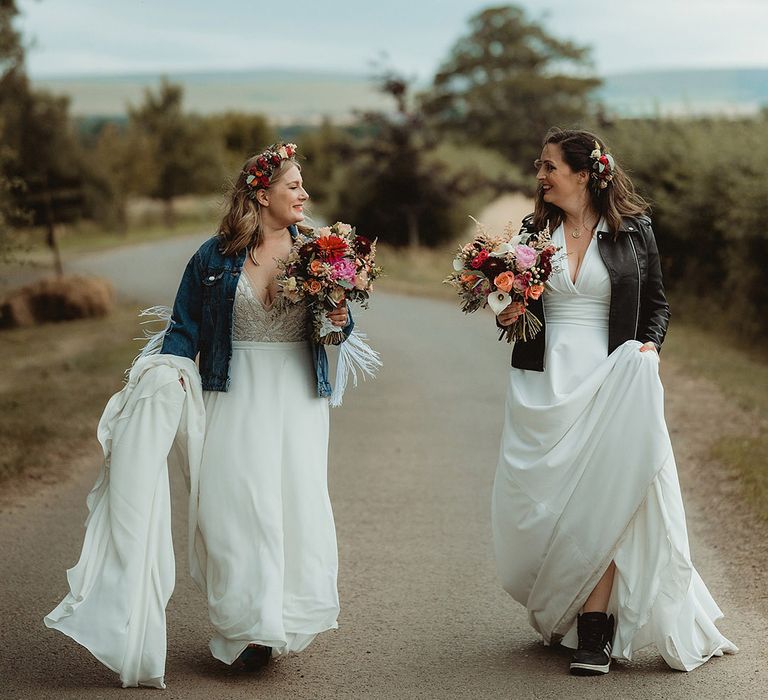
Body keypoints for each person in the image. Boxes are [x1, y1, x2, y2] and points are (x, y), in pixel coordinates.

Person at [491, 128, 737, 676]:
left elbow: (657, 305)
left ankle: (596, 630)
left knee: (604, 497)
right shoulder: (534, 231)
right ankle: (566, 601)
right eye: (540, 165)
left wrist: (650, 345)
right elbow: (517, 301)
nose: (541, 175)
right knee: (549, 501)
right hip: (543, 377)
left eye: (549, 166)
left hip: (611, 376)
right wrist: (505, 311)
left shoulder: (633, 232)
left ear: (583, 174)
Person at [161, 142, 352, 669]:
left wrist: (338, 315)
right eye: (294, 185)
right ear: (261, 193)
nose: (304, 194)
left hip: (296, 398)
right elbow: (183, 329)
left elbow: (339, 328)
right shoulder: (212, 257)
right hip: (233, 392)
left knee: (290, 504)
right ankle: (247, 624)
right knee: (235, 508)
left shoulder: (321, 251)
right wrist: (165, 378)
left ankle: (270, 626)